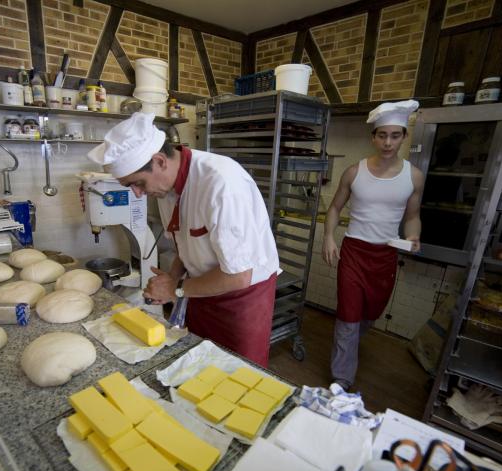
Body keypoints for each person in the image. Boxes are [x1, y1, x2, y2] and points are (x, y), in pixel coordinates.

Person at [88, 112, 279, 367]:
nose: (138, 193)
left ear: (159, 161)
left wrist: (176, 289)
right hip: (201, 290)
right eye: (129, 187)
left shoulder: (222, 184)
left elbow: (238, 276)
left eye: (138, 183)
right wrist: (173, 278)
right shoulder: (165, 188)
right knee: (200, 366)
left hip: (241, 300)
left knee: (241, 374)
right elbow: (184, 243)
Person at [322, 99, 424, 390]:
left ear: (404, 137)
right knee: (348, 315)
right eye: (382, 135)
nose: (388, 142)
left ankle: (350, 343)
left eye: (395, 135)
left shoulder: (413, 176)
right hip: (354, 252)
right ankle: (342, 378)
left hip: (386, 255)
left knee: (370, 314)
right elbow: (334, 209)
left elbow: (413, 216)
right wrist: (329, 237)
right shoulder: (354, 172)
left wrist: (413, 236)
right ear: (374, 137)